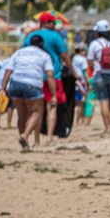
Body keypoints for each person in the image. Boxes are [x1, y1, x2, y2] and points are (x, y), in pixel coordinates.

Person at [23, 12, 74, 144]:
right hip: (53, 77)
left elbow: (22, 52)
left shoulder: (31, 36)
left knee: (35, 109)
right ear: (45, 23)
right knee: (52, 107)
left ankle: (35, 139)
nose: (54, 24)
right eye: (52, 22)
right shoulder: (56, 36)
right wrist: (74, 73)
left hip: (34, 77)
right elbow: (65, 55)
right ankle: (50, 137)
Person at [0, 35, 56, 151]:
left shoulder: (19, 53)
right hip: (32, 84)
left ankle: (24, 141)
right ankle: (25, 135)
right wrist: (54, 94)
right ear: (41, 44)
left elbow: (9, 70)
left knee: (21, 114)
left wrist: (3, 87)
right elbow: (50, 75)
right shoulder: (44, 55)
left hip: (15, 83)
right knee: (36, 112)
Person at [71, 42, 90, 126]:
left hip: (74, 81)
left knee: (78, 102)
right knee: (80, 103)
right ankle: (78, 121)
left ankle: (80, 120)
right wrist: (88, 83)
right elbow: (85, 73)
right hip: (81, 82)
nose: (85, 52)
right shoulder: (83, 60)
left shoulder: (74, 58)